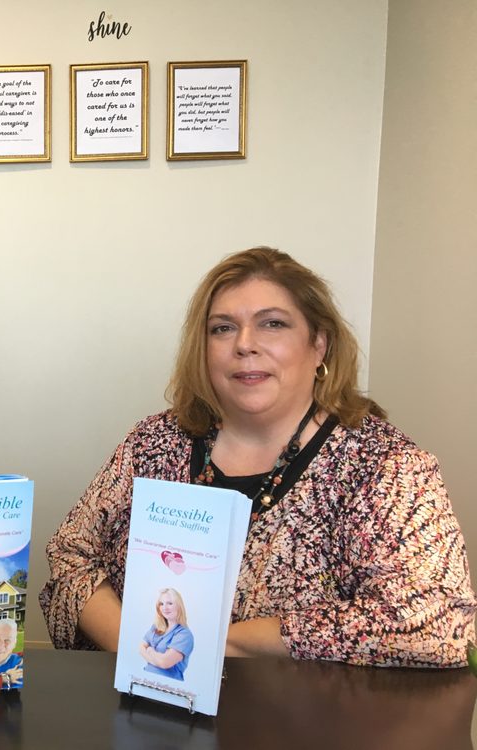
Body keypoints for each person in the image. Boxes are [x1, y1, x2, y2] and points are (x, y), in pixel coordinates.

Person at [40, 247, 476, 667]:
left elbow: (438, 624)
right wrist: (137, 648)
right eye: (222, 328)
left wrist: (217, 645)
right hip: (147, 702)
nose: (244, 344)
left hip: (303, 715)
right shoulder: (154, 441)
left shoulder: (382, 465)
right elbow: (71, 554)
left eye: (272, 324)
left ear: (319, 344)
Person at [139, 589, 193, 681]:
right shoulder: (157, 626)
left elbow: (165, 663)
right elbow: (141, 648)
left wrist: (150, 650)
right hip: (146, 678)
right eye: (161, 604)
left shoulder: (184, 634)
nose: (165, 608)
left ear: (179, 606)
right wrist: (157, 659)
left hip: (167, 684)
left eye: (170, 603)